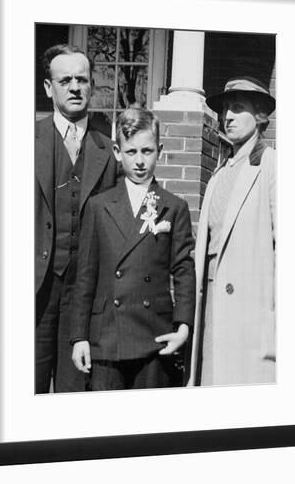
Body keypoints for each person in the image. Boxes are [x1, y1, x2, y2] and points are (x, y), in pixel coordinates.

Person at [70, 108, 195, 390]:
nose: (139, 161)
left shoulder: (173, 207)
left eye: (147, 151)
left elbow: (184, 270)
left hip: (155, 336)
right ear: (117, 151)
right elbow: (85, 277)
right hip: (107, 337)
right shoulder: (98, 205)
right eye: (131, 151)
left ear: (159, 151)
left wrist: (183, 327)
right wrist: (79, 337)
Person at [35, 44, 118, 393]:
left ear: (92, 86)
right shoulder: (18, 142)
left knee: (74, 395)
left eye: (82, 79)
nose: (74, 87)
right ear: (48, 87)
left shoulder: (109, 150)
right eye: (65, 79)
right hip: (34, 293)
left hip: (84, 298)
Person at [188, 77, 276, 387]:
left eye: (238, 108)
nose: (228, 116)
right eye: (226, 109)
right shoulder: (218, 174)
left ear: (261, 116)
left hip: (250, 316)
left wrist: (274, 320)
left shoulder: (271, 165)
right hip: (213, 306)